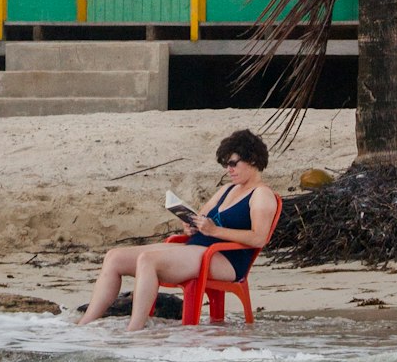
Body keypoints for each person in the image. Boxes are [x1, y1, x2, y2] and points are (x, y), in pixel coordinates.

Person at [77, 129, 279, 331]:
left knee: (148, 259)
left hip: (225, 259)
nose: (229, 169)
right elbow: (202, 217)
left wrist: (214, 231)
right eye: (226, 164)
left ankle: (134, 330)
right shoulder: (228, 189)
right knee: (114, 257)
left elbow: (259, 238)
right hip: (196, 248)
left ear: (252, 160)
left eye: (233, 163)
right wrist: (191, 225)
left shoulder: (261, 194)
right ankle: (83, 325)